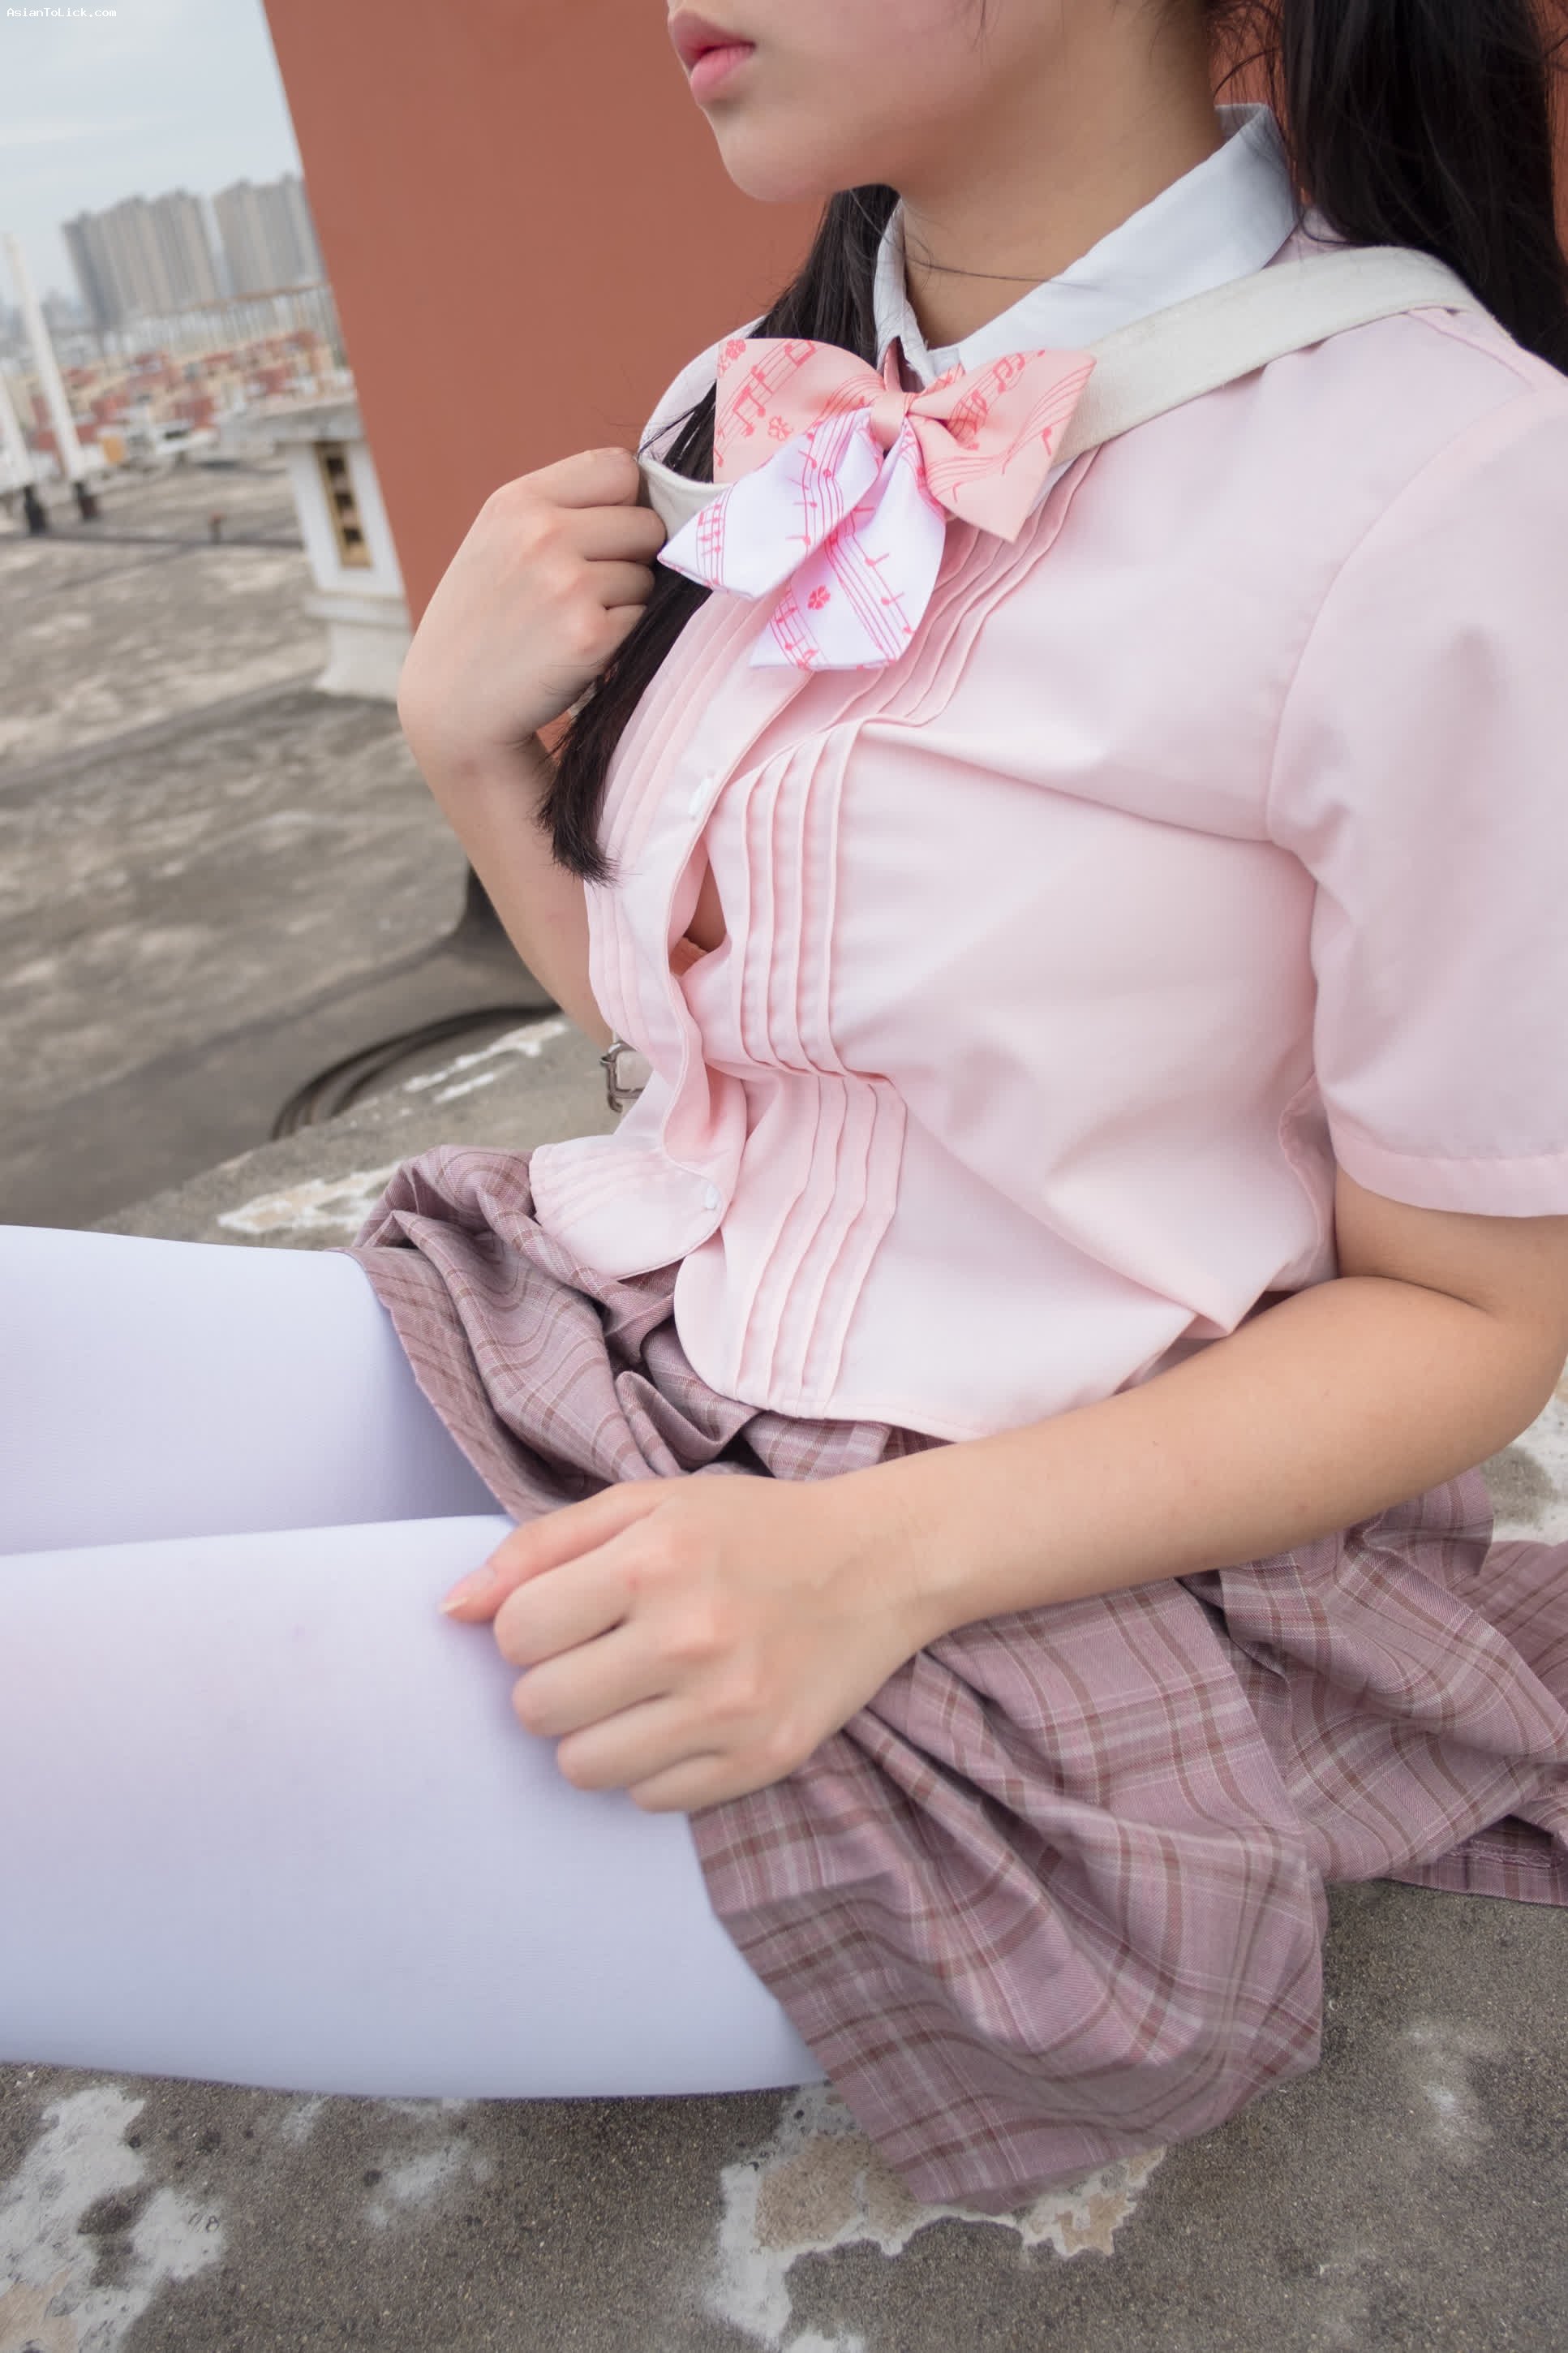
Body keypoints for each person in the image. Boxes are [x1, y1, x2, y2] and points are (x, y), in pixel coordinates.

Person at [4, 0, 1568, 2218]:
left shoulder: (1453, 486)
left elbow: (1481, 1316)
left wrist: (860, 1564)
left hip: (1028, 1594)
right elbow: (732, 1057)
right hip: (646, 1353)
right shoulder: (757, 408)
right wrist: (467, 756)